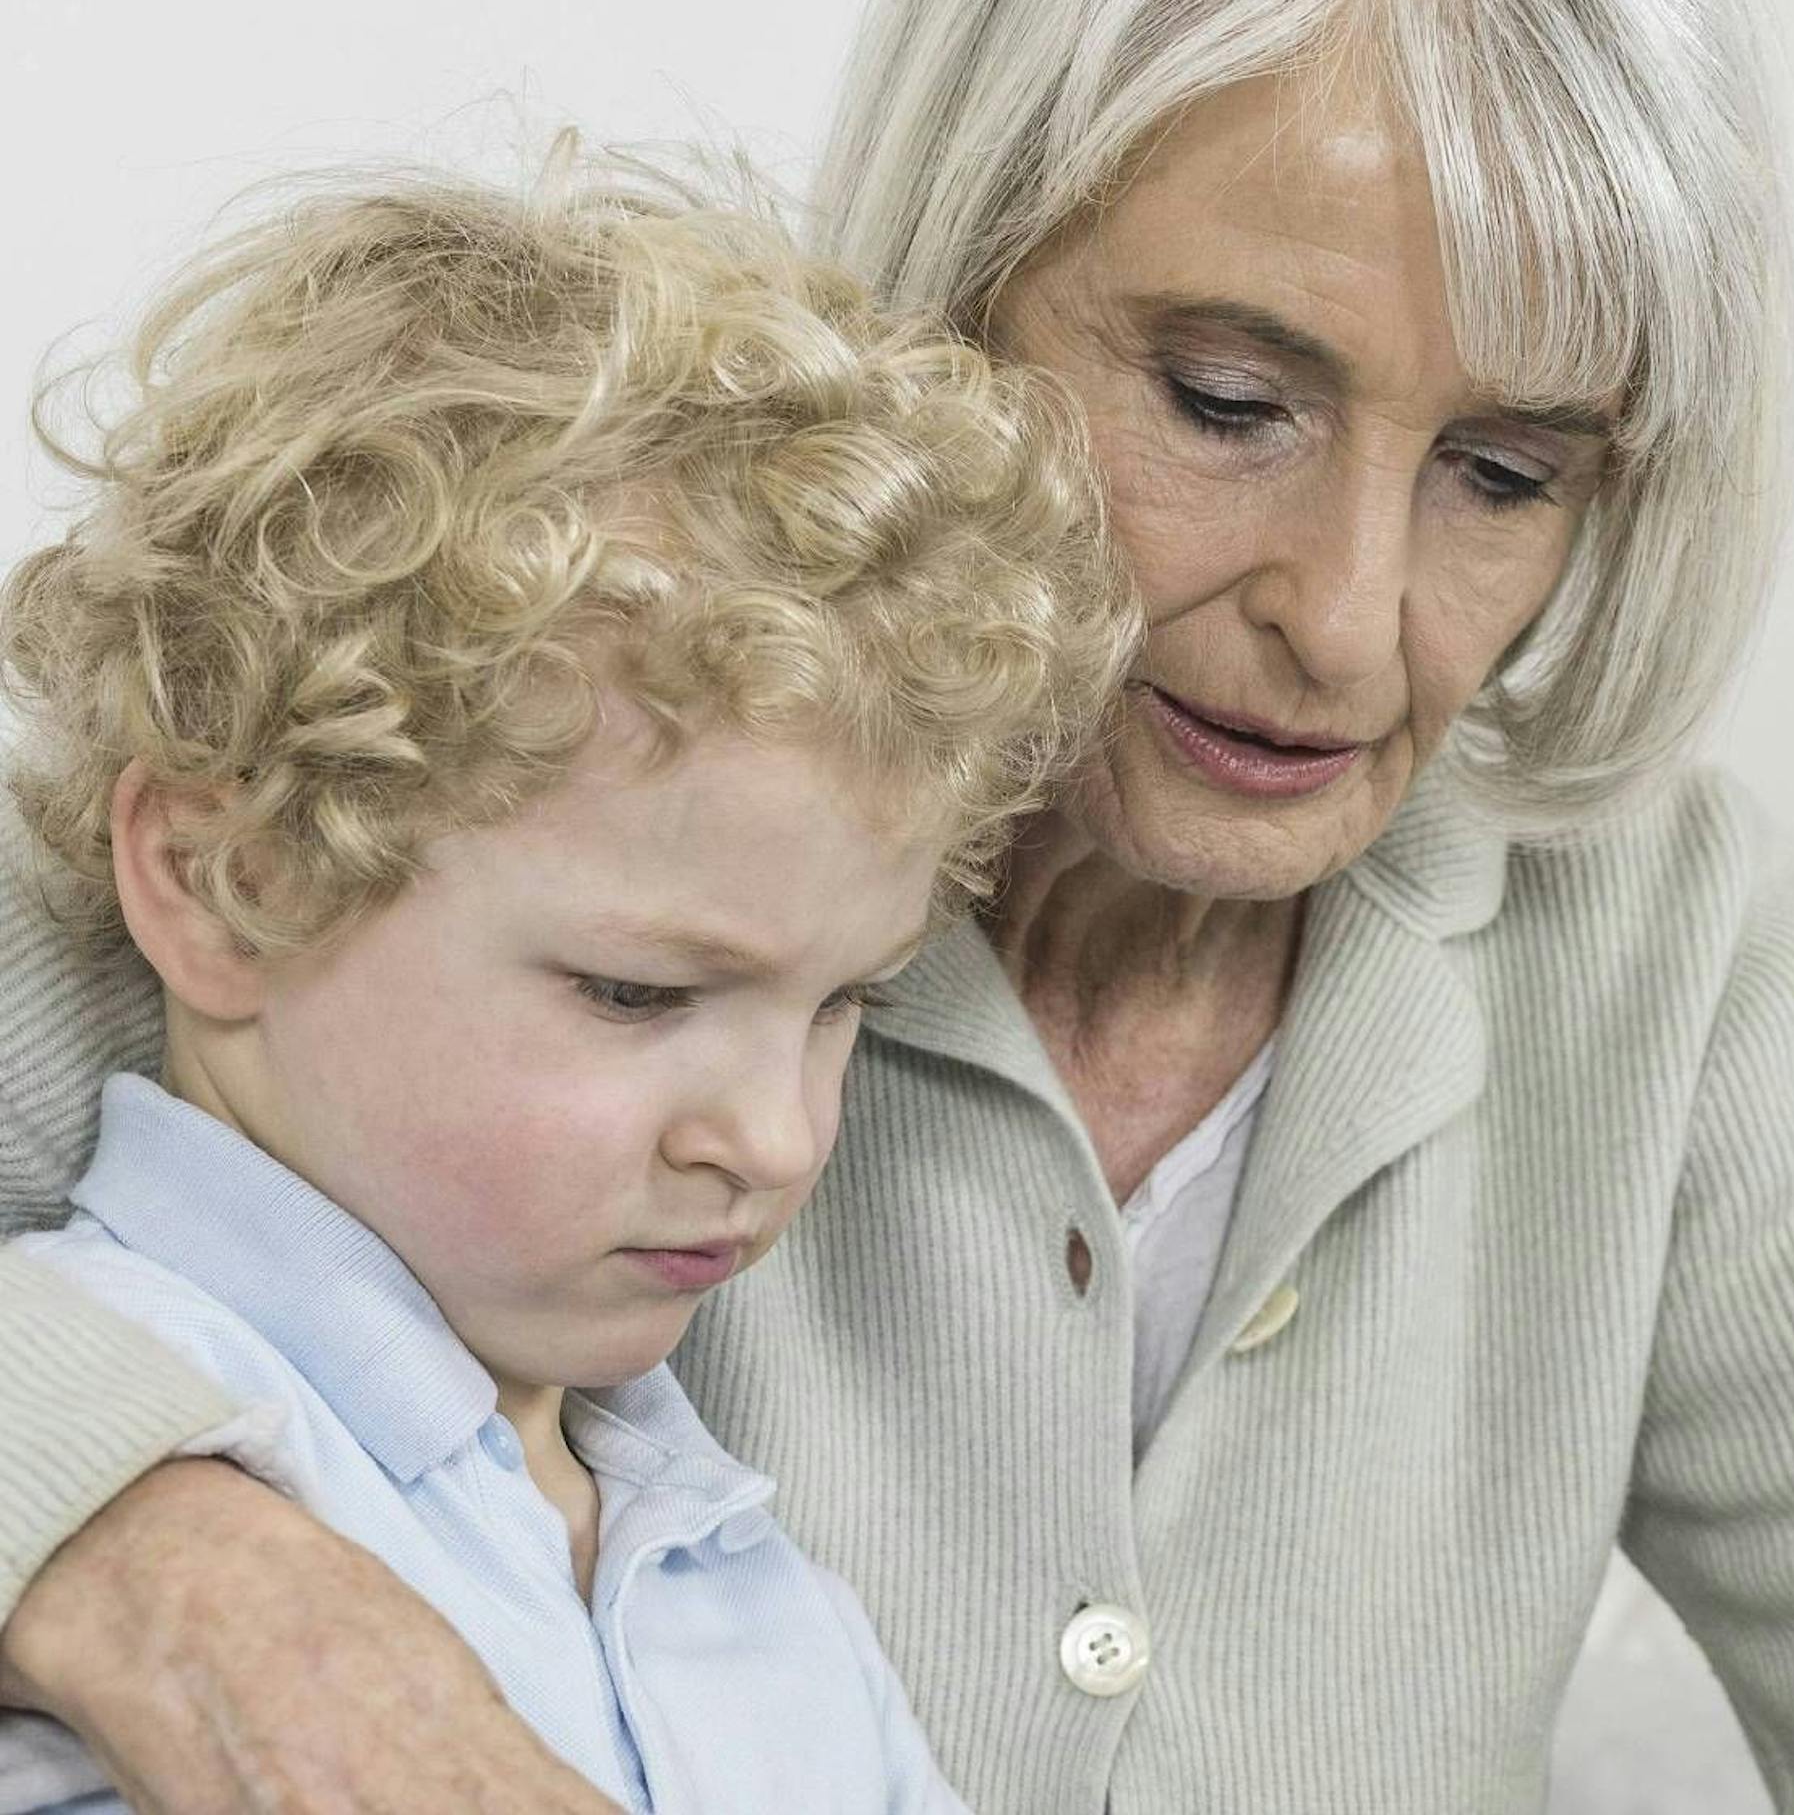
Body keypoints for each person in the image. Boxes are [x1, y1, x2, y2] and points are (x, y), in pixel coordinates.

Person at [1, 0, 1794, 1810]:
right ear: (960, 269)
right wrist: (173, 1564)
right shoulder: (406, 729)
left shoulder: (1671, 959)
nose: (1352, 622)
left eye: (1503, 472)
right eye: (1229, 402)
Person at [0, 151, 1133, 1812]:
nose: (775, 1138)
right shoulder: (93, 1538)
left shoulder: (751, 1580)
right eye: (635, 996)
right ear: (227, 883)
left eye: (843, 1009)